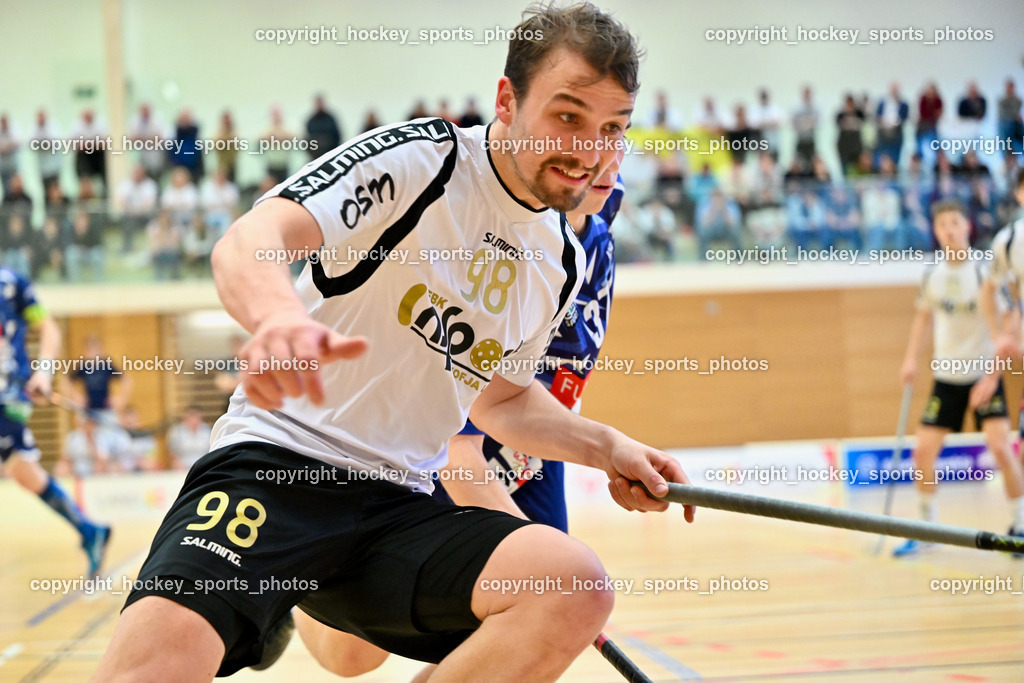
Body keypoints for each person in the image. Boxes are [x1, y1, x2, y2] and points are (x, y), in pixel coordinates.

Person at [93, 5, 694, 680]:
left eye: (612, 128)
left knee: (574, 584)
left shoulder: (560, 261)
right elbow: (250, 240)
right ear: (507, 100)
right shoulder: (422, 161)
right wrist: (276, 319)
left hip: (399, 509)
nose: (589, 150)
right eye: (568, 116)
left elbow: (501, 401)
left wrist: (606, 445)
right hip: (278, 467)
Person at [294, 154, 626, 679]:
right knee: (353, 657)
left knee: (509, 650)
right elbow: (458, 453)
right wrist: (548, 567)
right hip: (453, 458)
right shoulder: (506, 248)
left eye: (618, 135)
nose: (607, 160)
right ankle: (297, 590)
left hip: (532, 458)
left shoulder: (601, 225)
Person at [893, 199, 1024, 557]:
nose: (949, 230)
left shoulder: (986, 271)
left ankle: (1020, 526)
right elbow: (922, 318)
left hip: (984, 376)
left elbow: (1011, 322)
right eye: (942, 225)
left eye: (955, 222)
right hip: (946, 378)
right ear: (935, 232)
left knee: (1001, 447)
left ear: (967, 226)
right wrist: (909, 361)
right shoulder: (931, 274)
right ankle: (927, 528)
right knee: (922, 451)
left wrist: (993, 377)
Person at [0, 267, 111, 574]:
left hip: (8, 398)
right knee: (25, 473)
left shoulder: (11, 284)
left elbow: (49, 328)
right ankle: (90, 531)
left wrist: (44, 371)